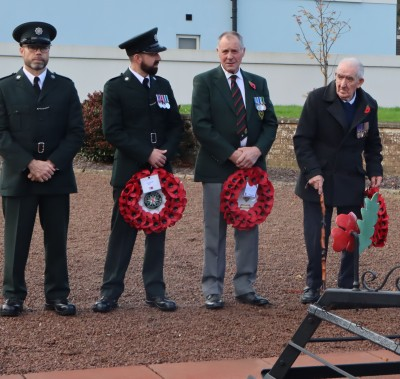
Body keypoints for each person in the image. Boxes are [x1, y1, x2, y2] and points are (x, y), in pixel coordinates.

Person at [91, 28, 183, 313]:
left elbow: (176, 125)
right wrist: (147, 154)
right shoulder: (115, 87)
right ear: (137, 56)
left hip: (160, 173)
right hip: (130, 172)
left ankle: (155, 291)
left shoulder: (162, 85)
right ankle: (110, 293)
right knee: (122, 234)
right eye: (154, 54)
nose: (158, 58)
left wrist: (164, 152)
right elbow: (113, 131)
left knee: (157, 231)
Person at [0, 22, 85, 317]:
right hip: (18, 177)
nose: (39, 52)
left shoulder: (64, 86)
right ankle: (13, 297)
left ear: (49, 51)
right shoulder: (5, 87)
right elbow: (1, 134)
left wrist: (50, 164)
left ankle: (57, 295)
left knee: (57, 240)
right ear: (21, 50)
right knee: (16, 240)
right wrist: (29, 163)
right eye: (33, 47)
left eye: (44, 47)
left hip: (55, 176)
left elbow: (76, 132)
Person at [191, 31, 278, 309]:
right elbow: (201, 125)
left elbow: (270, 124)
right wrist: (231, 154)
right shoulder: (204, 82)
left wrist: (256, 151)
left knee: (248, 226)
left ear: (244, 52)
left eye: (235, 51)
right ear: (217, 52)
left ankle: (245, 286)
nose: (230, 56)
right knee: (215, 230)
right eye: (225, 51)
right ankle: (213, 288)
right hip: (218, 167)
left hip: (251, 170)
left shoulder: (257, 84)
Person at [294, 57, 383, 304]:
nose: (342, 84)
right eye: (339, 77)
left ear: (360, 81)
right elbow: (302, 140)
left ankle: (346, 287)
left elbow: (373, 143)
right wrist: (312, 172)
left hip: (350, 179)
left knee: (351, 235)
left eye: (349, 79)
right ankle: (313, 285)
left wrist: (375, 168)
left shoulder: (369, 105)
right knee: (316, 237)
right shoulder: (317, 99)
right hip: (317, 179)